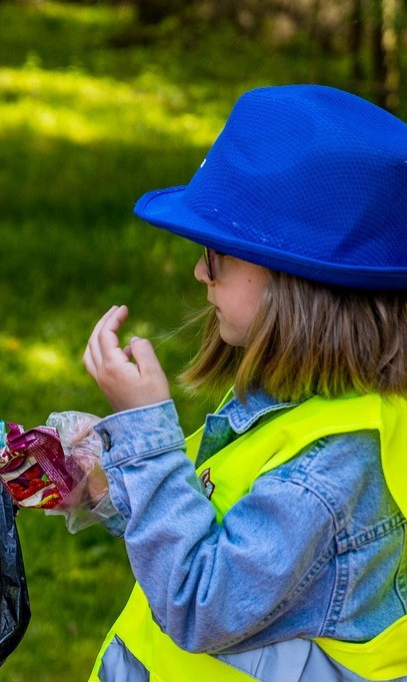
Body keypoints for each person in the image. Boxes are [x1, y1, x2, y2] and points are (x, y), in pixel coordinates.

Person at [81, 84, 407, 681]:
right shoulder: (296, 403)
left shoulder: (330, 471)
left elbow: (200, 601)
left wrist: (145, 435)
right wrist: (111, 475)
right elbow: (211, 519)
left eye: (221, 251)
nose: (200, 269)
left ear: (300, 280)